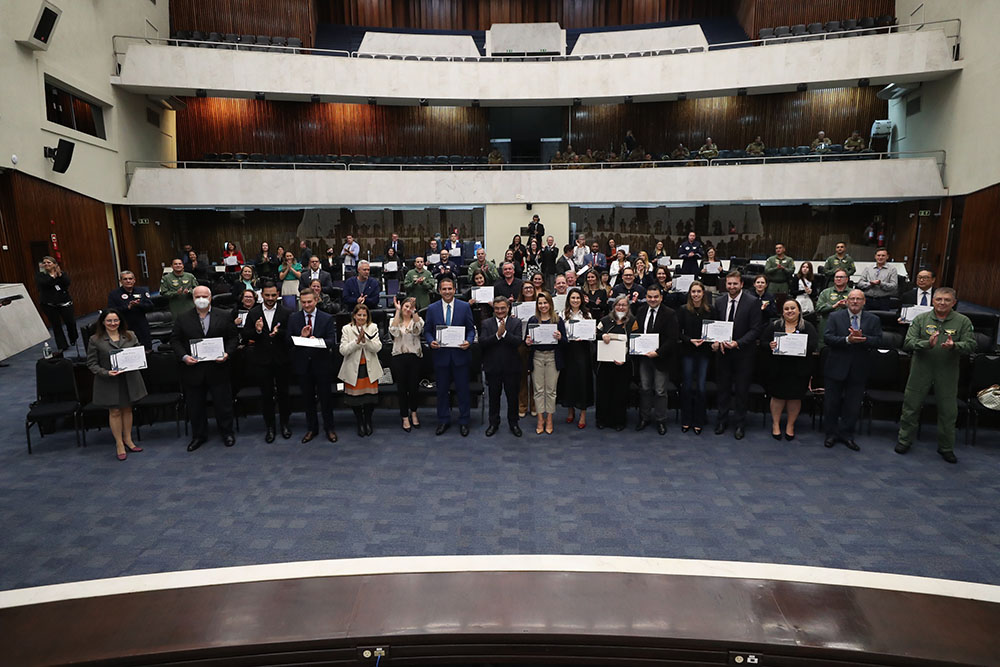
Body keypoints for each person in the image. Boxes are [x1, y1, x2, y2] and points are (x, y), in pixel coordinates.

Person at [896, 288, 975, 463]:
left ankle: (946, 447)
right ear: (933, 301)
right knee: (911, 408)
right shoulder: (921, 319)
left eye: (947, 300)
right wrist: (926, 343)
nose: (942, 303)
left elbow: (971, 345)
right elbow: (908, 342)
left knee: (948, 412)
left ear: (954, 302)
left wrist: (955, 345)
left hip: (947, 372)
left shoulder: (962, 321)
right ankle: (904, 440)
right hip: (920, 370)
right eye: (939, 299)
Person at [171, 285, 239, 451]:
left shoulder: (224, 315)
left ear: (210, 298)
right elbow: (175, 341)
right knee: (195, 406)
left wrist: (227, 354)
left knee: (223, 404)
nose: (201, 299)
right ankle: (199, 436)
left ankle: (227, 433)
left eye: (204, 296)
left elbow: (233, 338)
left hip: (218, 368)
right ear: (193, 299)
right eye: (198, 296)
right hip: (193, 370)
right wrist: (184, 357)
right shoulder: (182, 317)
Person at [823, 289, 882, 451]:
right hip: (836, 366)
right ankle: (831, 434)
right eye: (852, 299)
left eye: (858, 299)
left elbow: (878, 341)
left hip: (859, 368)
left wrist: (864, 339)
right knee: (831, 403)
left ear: (864, 302)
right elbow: (827, 338)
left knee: (852, 405)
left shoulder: (873, 319)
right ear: (847, 301)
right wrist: (847, 340)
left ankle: (847, 434)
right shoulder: (835, 317)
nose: (855, 301)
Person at [86, 309, 147, 460]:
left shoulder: (130, 335)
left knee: (127, 409)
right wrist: (106, 372)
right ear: (102, 322)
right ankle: (119, 443)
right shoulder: (95, 340)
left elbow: (139, 352)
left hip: (130, 379)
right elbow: (91, 364)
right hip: (109, 381)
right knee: (115, 412)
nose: (113, 324)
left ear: (120, 321)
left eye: (116, 320)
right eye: (109, 321)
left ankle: (128, 439)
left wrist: (138, 359)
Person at [712, 271, 763, 439]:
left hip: (744, 354)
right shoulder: (719, 302)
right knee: (723, 389)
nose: (732, 287)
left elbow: (756, 329)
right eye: (729, 284)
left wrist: (738, 343)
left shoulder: (753, 302)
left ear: (741, 284)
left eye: (735, 284)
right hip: (723, 353)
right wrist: (716, 341)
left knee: (741, 391)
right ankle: (722, 420)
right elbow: (715, 326)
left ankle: (740, 424)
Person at [424, 277, 476, 437]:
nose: (447, 292)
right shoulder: (432, 309)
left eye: (450, 289)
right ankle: (443, 420)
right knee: (442, 392)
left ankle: (464, 421)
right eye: (444, 289)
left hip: (460, 356)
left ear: (455, 290)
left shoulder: (465, 307)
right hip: (441, 356)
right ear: (439, 291)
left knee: (463, 391)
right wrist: (431, 341)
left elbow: (471, 329)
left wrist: (469, 340)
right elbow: (427, 331)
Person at [242, 281, 293, 442]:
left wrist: (279, 333)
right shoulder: (253, 313)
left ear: (278, 294)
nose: (270, 298)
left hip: (282, 360)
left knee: (284, 394)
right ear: (261, 295)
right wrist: (257, 331)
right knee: (266, 395)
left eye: (273, 295)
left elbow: (291, 335)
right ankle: (270, 427)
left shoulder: (287, 312)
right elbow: (246, 335)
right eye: (267, 295)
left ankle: (285, 424)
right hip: (262, 361)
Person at [763, 298, 818, 440]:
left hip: (799, 370)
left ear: (799, 310)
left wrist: (801, 345)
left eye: (793, 308)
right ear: (782, 312)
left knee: (794, 397)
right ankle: (775, 424)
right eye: (786, 309)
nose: (790, 311)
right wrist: (770, 345)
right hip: (778, 368)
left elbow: (813, 345)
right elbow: (763, 342)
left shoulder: (808, 327)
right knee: (777, 396)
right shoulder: (774, 325)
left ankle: (790, 425)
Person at [288, 289, 338, 443]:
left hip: (322, 365)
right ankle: (312, 429)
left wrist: (317, 341)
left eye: (309, 302)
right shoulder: (294, 318)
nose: (306, 305)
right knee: (308, 400)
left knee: (326, 400)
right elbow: (288, 341)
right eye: (303, 302)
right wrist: (301, 337)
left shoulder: (326, 318)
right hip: (303, 366)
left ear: (316, 300)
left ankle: (329, 428)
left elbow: (332, 341)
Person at [632, 286, 679, 435]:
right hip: (644, 357)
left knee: (660, 391)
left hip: (661, 358)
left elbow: (673, 339)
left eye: (655, 297)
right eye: (650, 297)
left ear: (661, 297)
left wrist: (657, 353)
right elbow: (636, 332)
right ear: (646, 297)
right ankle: (644, 417)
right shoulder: (641, 311)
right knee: (645, 388)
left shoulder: (670, 314)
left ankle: (661, 419)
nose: (652, 300)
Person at [480, 296, 523, 437]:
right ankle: (493, 423)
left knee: (512, 398)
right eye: (497, 308)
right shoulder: (486, 323)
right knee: (494, 398)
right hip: (493, 368)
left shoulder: (516, 322)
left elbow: (518, 341)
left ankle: (514, 423)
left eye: (503, 308)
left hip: (512, 368)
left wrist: (504, 334)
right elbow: (483, 342)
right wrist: (497, 336)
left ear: (508, 308)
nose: (500, 311)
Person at [338, 303, 383, 438]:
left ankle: (368, 420)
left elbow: (377, 348)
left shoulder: (373, 327)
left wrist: (365, 341)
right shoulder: (347, 329)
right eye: (359, 315)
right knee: (355, 400)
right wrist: (357, 342)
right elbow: (343, 350)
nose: (362, 318)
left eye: (364, 315)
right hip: (353, 368)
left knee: (370, 399)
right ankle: (360, 422)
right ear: (354, 316)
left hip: (369, 368)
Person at [526, 292, 566, 435]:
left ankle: (549, 419)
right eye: (540, 303)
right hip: (537, 356)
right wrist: (528, 342)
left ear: (550, 304)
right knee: (538, 390)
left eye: (545, 303)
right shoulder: (533, 319)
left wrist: (561, 337)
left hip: (552, 357)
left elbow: (565, 342)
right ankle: (540, 419)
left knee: (551, 390)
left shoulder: (557, 320)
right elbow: (527, 341)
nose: (543, 306)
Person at [595, 295, 635, 431]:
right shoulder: (604, 320)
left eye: (624, 305)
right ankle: (602, 420)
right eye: (618, 305)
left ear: (628, 307)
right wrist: (602, 336)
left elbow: (636, 342)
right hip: (605, 364)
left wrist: (626, 358)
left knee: (620, 393)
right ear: (613, 307)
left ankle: (619, 421)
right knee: (603, 392)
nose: (621, 307)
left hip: (623, 364)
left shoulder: (633, 322)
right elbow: (594, 334)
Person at [678, 281, 712, 434]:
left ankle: (699, 420)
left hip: (704, 352)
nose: (696, 294)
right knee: (686, 387)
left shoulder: (710, 310)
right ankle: (686, 419)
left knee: (701, 387)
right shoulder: (683, 310)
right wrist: (689, 340)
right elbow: (678, 332)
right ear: (690, 294)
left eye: (699, 291)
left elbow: (716, 330)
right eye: (693, 292)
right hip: (688, 352)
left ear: (703, 293)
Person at [558, 288, 594, 429]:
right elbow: (561, 333)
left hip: (582, 351)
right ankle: (570, 410)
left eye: (578, 298)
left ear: (582, 300)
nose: (575, 300)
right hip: (568, 350)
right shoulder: (562, 314)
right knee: (569, 381)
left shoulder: (587, 314)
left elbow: (591, 334)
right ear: (569, 300)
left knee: (582, 381)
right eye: (573, 298)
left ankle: (583, 414)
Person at [389, 296, 424, 432]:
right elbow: (394, 332)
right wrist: (397, 311)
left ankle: (414, 413)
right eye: (406, 306)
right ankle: (404, 416)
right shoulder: (394, 320)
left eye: (411, 307)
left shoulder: (417, 319)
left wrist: (414, 312)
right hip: (399, 357)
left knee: (414, 388)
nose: (408, 309)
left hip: (414, 356)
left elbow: (417, 330)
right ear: (401, 306)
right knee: (402, 389)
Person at [108, 270, 153, 349]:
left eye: (130, 279)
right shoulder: (114, 294)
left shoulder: (142, 291)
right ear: (120, 281)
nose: (128, 281)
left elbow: (150, 307)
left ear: (134, 280)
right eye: (125, 279)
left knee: (146, 348)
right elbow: (111, 311)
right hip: (124, 326)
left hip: (141, 324)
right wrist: (127, 307)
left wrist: (139, 305)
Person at [816, 269, 851, 343]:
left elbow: (861, 308)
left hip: (847, 326)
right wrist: (834, 306)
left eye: (841, 277)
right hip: (828, 324)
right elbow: (818, 308)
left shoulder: (853, 293)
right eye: (836, 277)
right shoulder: (825, 292)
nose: (838, 279)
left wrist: (847, 306)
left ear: (847, 279)